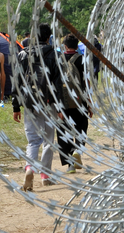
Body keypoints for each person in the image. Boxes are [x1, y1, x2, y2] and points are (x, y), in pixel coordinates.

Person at [12, 24, 61, 190]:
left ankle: (29, 168)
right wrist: (60, 106)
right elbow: (58, 83)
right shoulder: (54, 54)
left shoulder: (22, 54)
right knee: (49, 140)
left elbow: (17, 81)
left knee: (33, 140)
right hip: (49, 103)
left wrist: (16, 106)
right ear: (48, 37)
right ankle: (45, 176)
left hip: (30, 102)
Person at [59, 34, 92, 173]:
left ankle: (70, 165)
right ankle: (78, 150)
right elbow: (87, 82)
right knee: (81, 126)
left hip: (63, 101)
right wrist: (89, 102)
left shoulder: (58, 60)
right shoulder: (82, 60)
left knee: (64, 130)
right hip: (80, 100)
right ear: (77, 45)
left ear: (65, 46)